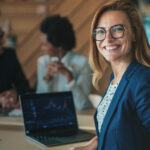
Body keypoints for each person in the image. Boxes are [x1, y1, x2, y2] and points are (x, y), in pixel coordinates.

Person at [69, 0, 150, 149]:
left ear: (135, 34)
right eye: (101, 31)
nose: (108, 39)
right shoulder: (115, 78)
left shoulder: (142, 80)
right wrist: (91, 145)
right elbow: (120, 131)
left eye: (117, 29)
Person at [36, 15, 92, 110]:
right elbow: (38, 103)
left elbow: (83, 104)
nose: (42, 48)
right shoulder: (42, 62)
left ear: (58, 44)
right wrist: (47, 79)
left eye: (45, 44)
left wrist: (69, 77)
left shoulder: (83, 63)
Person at [0, 26, 30, 109]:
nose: (3, 41)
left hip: (7, 110)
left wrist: (15, 93)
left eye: (2, 35)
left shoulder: (9, 55)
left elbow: (24, 84)